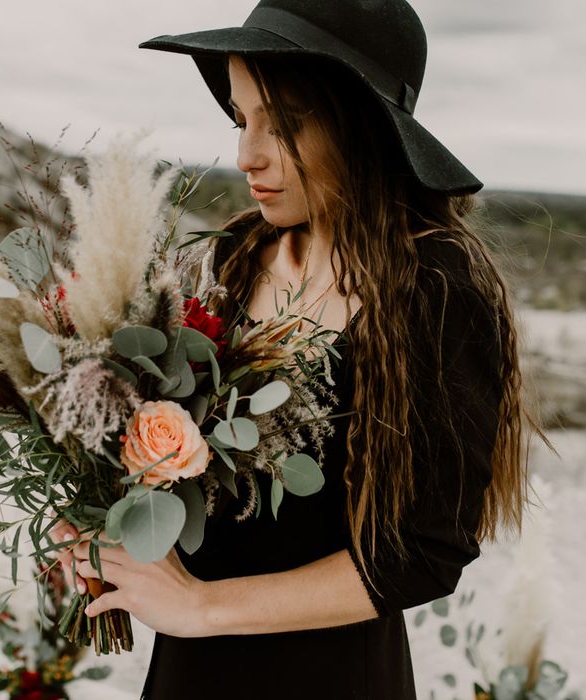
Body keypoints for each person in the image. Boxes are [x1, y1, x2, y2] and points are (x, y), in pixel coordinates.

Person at [52, 1, 534, 698]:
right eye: (242, 120)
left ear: (363, 122)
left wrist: (201, 606)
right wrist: (106, 525)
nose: (247, 155)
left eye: (282, 123)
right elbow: (186, 468)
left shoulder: (436, 289)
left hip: (328, 675)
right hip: (191, 669)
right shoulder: (238, 251)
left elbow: (423, 553)